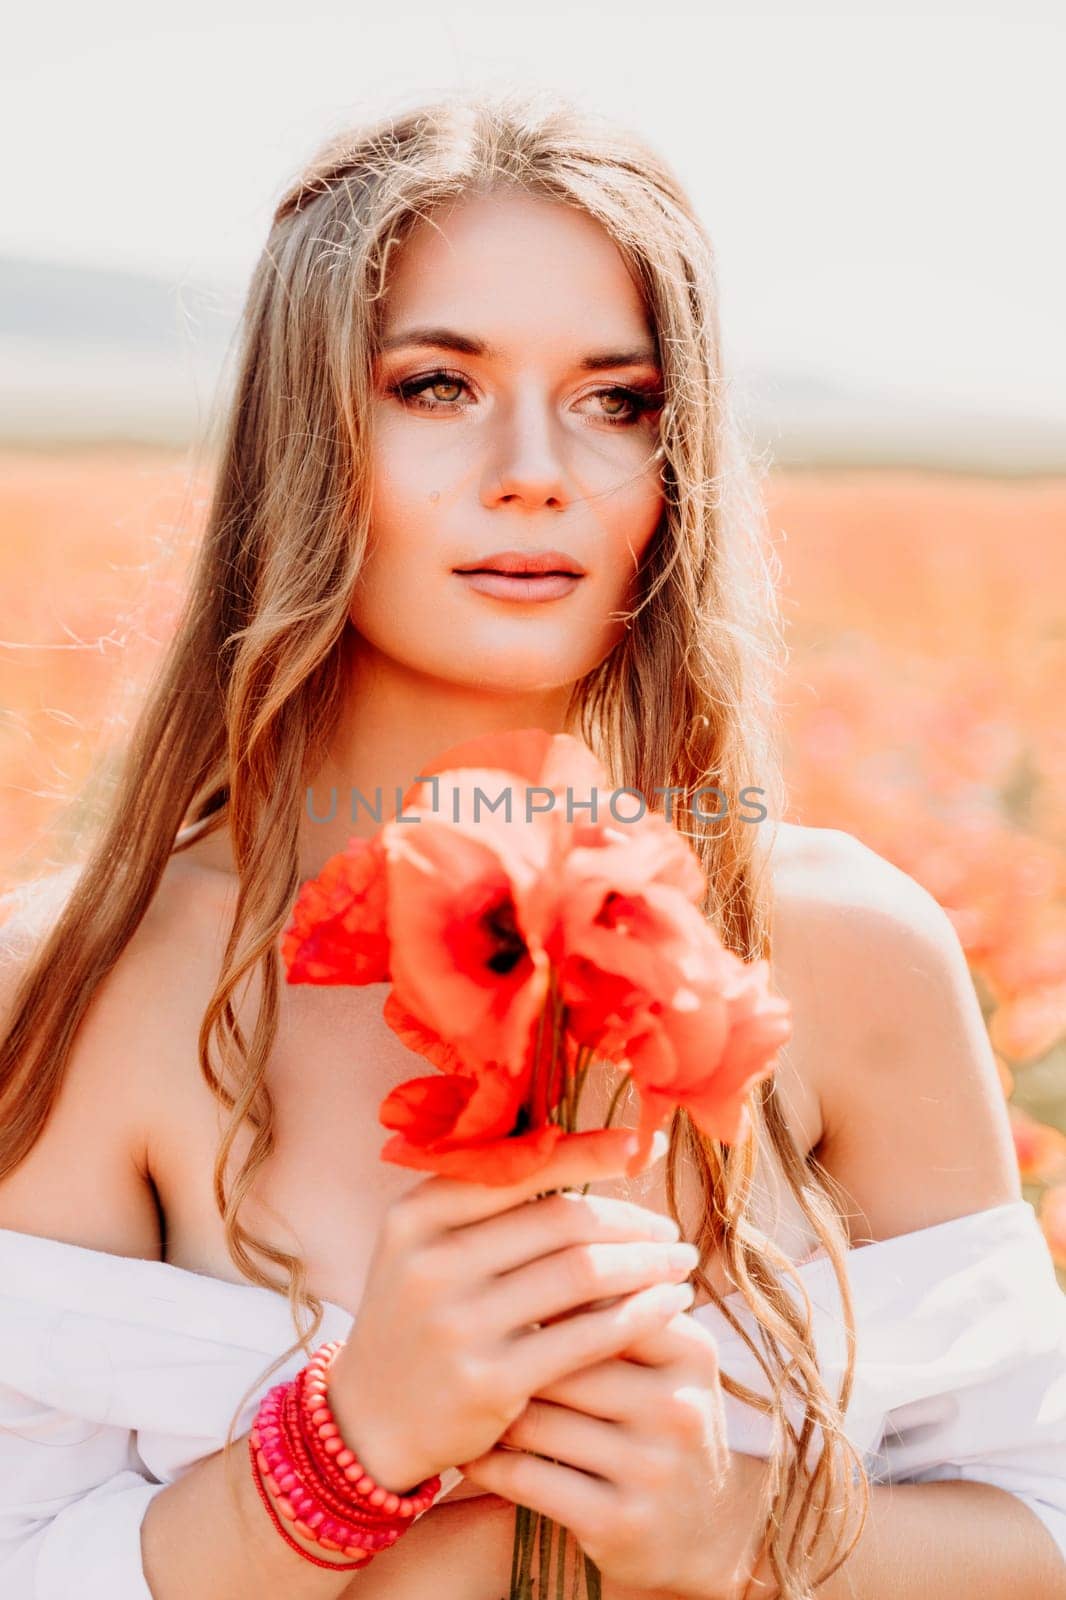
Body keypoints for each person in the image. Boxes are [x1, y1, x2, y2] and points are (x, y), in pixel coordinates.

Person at [0, 85, 1064, 1600]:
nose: (533, 468)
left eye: (616, 400)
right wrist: (337, 1454)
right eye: (434, 386)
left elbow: (1038, 1538)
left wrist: (733, 1531)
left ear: (672, 470)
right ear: (305, 439)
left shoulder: (846, 953)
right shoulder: (85, 984)